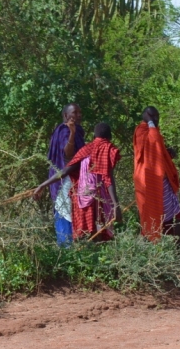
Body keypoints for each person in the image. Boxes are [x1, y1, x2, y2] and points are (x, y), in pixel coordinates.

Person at [34, 123, 122, 241]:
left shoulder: (85, 150)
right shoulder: (108, 149)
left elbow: (64, 171)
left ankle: (85, 257)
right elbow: (108, 178)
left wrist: (42, 185)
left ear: (94, 136)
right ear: (110, 136)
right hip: (100, 199)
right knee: (100, 233)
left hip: (82, 199)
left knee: (84, 234)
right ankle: (98, 257)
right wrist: (115, 205)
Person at [133, 107, 180, 243]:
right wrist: (150, 122)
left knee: (177, 217)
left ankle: (177, 253)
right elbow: (153, 142)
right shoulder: (142, 131)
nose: (156, 119)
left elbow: (156, 153)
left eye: (157, 116)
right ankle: (141, 252)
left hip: (163, 182)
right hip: (150, 183)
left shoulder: (153, 130)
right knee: (151, 219)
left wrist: (167, 153)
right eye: (152, 116)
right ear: (145, 116)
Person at [46, 103, 86, 245]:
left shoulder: (78, 130)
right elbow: (67, 155)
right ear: (65, 115)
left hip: (72, 178)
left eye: (79, 112)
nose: (78, 115)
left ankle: (73, 251)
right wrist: (72, 133)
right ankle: (66, 252)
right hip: (64, 179)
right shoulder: (65, 131)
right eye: (75, 112)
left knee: (72, 213)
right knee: (65, 212)